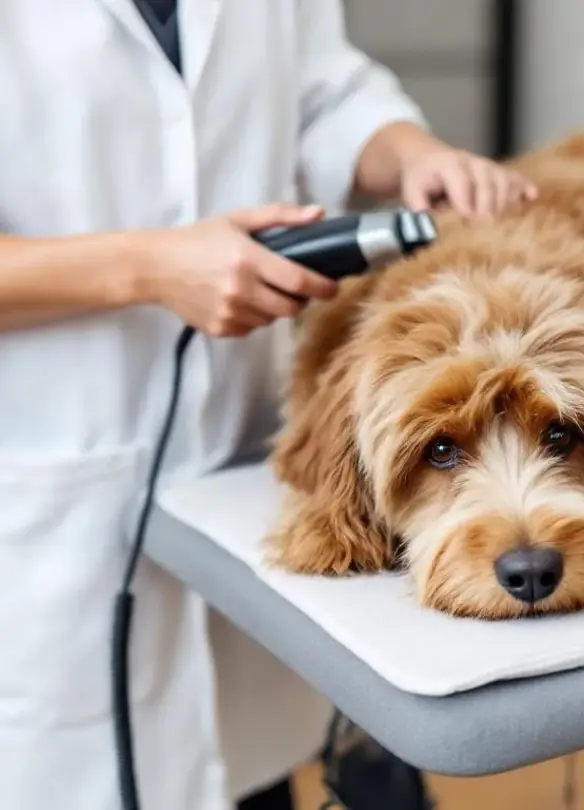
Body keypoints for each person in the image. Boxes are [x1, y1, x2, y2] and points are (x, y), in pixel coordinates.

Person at [0, 3, 537, 810]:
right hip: (48, 498)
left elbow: (325, 90)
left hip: (235, 460)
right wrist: (146, 267)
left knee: (250, 761)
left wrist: (410, 153)